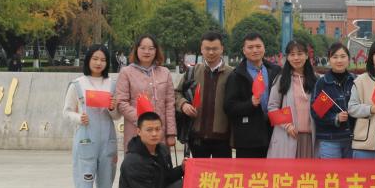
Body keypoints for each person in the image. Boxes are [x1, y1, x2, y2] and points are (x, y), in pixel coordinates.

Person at [63, 44, 119, 188]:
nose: (98, 63)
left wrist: (112, 108)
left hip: (107, 141)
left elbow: (116, 115)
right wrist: (79, 118)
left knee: (106, 186)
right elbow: (66, 111)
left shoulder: (112, 84)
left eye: (103, 59)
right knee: (84, 186)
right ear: (88, 60)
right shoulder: (78, 84)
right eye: (95, 58)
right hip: (86, 140)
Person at [176, 31, 234, 159]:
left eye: (215, 49)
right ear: (201, 49)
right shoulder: (192, 72)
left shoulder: (231, 74)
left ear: (222, 49)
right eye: (207, 49)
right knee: (200, 172)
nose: (211, 52)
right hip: (197, 137)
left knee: (222, 171)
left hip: (223, 138)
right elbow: (177, 93)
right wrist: (183, 104)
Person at [224, 32, 281, 158]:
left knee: (274, 170)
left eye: (258, 46)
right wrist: (250, 103)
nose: (255, 50)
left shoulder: (275, 71)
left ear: (264, 48)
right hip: (248, 139)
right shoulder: (236, 75)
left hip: (274, 134)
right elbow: (229, 107)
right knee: (249, 170)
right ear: (244, 51)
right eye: (250, 47)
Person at [115, 35, 177, 149]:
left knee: (160, 159)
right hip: (135, 131)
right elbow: (121, 102)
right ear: (136, 50)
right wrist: (143, 121)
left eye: (151, 48)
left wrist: (171, 133)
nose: (147, 52)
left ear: (156, 51)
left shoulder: (165, 73)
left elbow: (170, 104)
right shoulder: (126, 72)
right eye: (142, 48)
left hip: (160, 132)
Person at [267, 39, 318, 159]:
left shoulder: (316, 79)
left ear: (307, 55)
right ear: (287, 57)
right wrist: (287, 126)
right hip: (288, 136)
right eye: (292, 54)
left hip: (310, 138)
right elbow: (272, 107)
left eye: (300, 54)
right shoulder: (281, 80)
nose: (296, 58)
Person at [310, 42, 356, 160]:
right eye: (335, 57)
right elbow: (316, 112)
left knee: (351, 172)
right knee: (332, 172)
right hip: (330, 139)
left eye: (343, 56)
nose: (339, 60)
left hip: (353, 139)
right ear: (329, 60)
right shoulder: (322, 83)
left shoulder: (355, 81)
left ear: (348, 59)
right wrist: (335, 118)